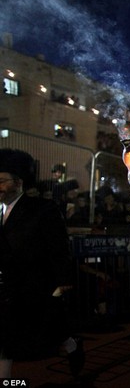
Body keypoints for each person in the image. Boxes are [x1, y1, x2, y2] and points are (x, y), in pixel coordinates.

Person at [0, 149, 83, 378]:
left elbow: (58, 245)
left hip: (36, 283)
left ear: (18, 182)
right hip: (6, 286)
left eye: (2, 181)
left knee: (52, 329)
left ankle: (72, 345)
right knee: (5, 336)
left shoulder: (41, 209)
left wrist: (63, 279)